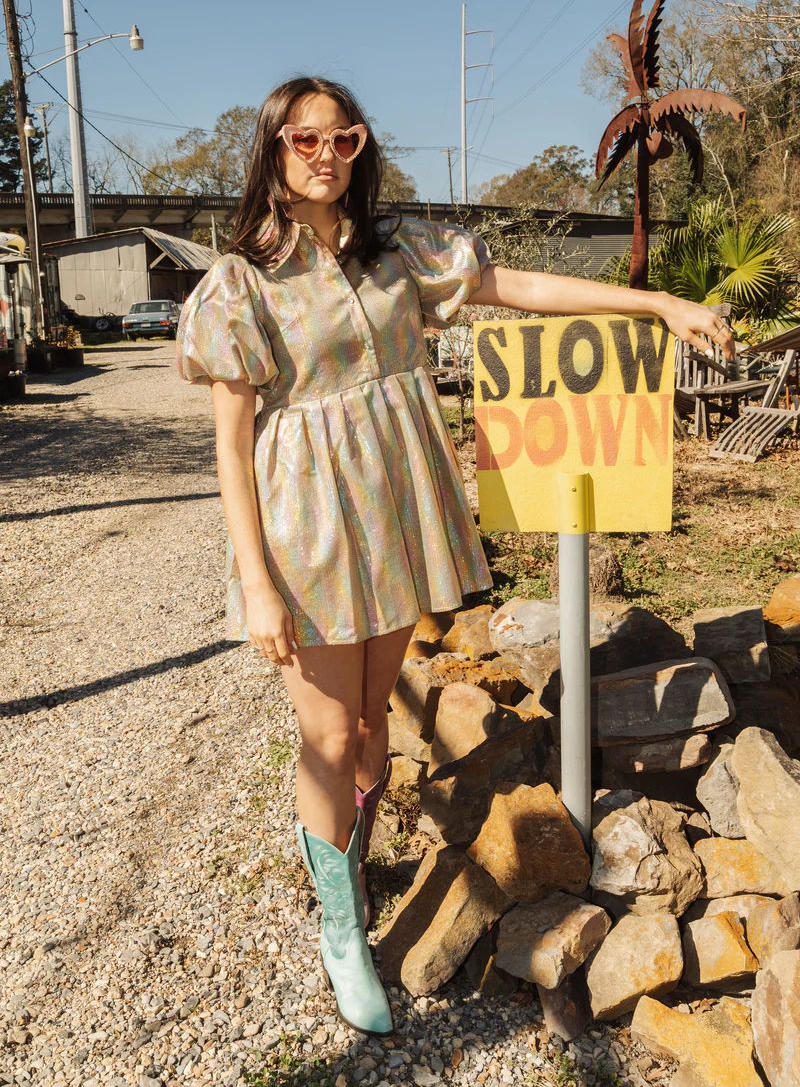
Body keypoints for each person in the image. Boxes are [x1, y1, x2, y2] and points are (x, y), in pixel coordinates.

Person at [175, 74, 734, 1037]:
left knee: (369, 730)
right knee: (334, 736)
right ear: (271, 154)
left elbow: (515, 286)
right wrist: (256, 582)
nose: (323, 156)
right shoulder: (240, 284)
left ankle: (342, 852)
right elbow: (230, 445)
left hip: (391, 516)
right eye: (302, 141)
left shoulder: (400, 255)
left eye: (341, 138)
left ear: (360, 149)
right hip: (304, 528)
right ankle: (345, 931)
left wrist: (657, 303)